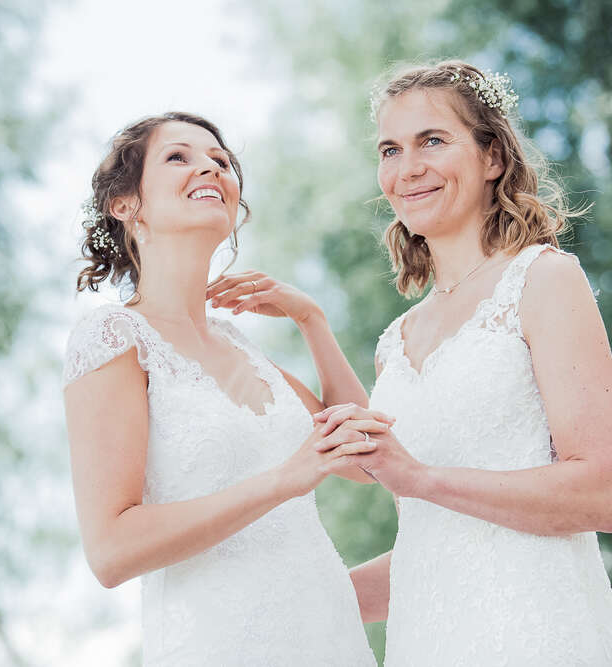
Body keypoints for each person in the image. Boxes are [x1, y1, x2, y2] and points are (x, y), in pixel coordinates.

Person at [306, 61, 612, 665]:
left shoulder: (543, 280)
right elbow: (432, 543)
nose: (408, 169)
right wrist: (310, 600)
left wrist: (421, 478)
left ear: (493, 158)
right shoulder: (393, 343)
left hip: (540, 637)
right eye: (390, 149)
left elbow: (606, 493)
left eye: (432, 140)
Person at [62, 112, 379, 666]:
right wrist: (282, 480)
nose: (211, 165)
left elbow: (367, 459)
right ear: (125, 204)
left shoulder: (245, 349)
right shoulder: (114, 337)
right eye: (178, 156)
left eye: (222, 160)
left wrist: (312, 322)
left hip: (330, 642)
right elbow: (111, 551)